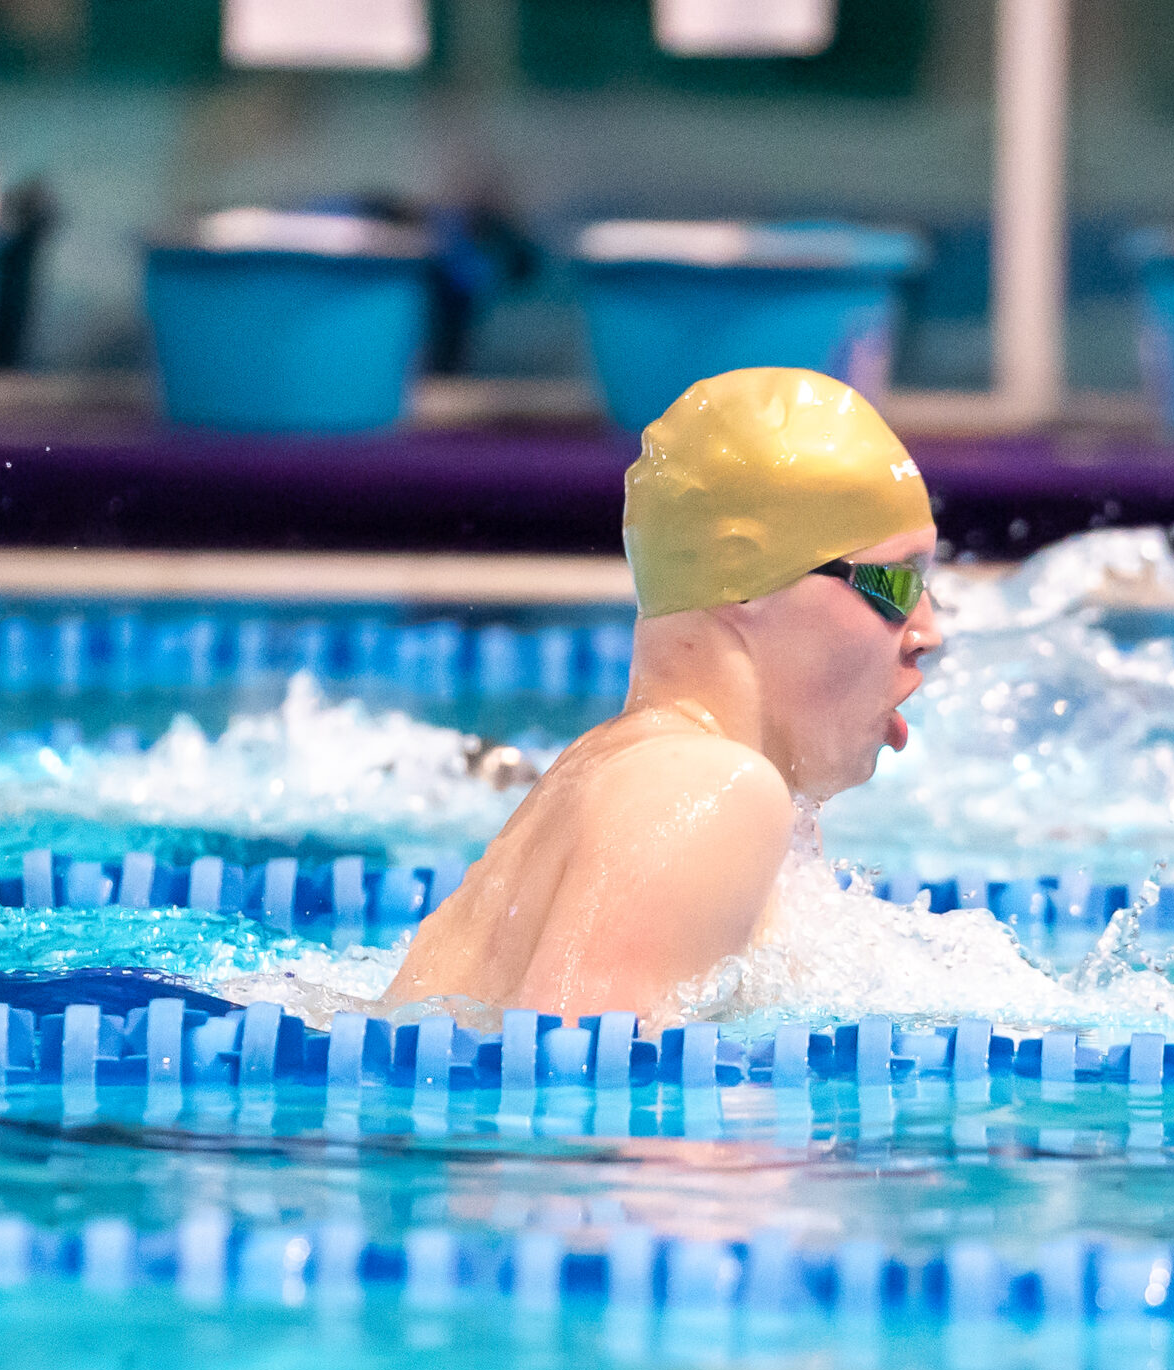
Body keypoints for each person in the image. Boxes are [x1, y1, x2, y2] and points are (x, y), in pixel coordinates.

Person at [380, 366, 943, 1024]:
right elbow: (572, 1074)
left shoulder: (629, 767)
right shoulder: (711, 792)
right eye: (895, 582)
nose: (928, 632)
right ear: (744, 574)